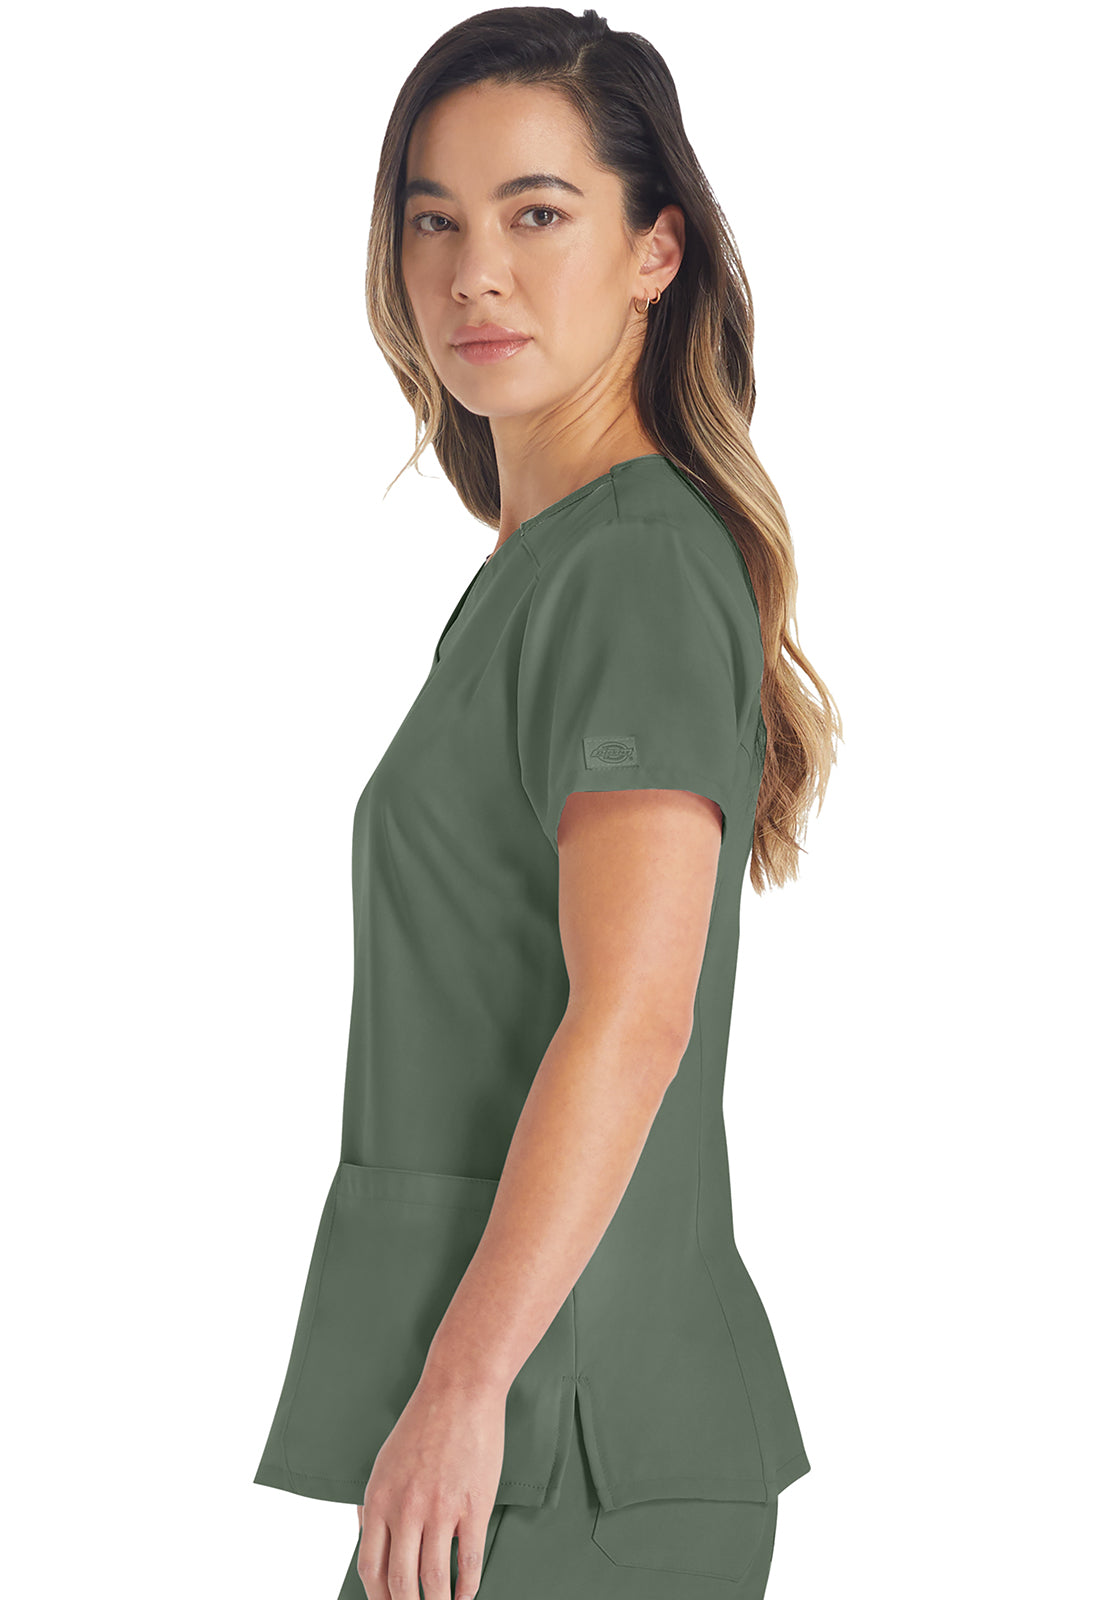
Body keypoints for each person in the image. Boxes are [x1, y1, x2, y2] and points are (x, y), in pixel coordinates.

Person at [252, 9, 841, 1598]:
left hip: (562, 1436)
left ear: (656, 252)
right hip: (521, 1421)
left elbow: (633, 1017)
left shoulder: (634, 565)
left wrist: (463, 1390)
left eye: (536, 214)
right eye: (433, 220)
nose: (475, 274)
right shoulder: (547, 568)